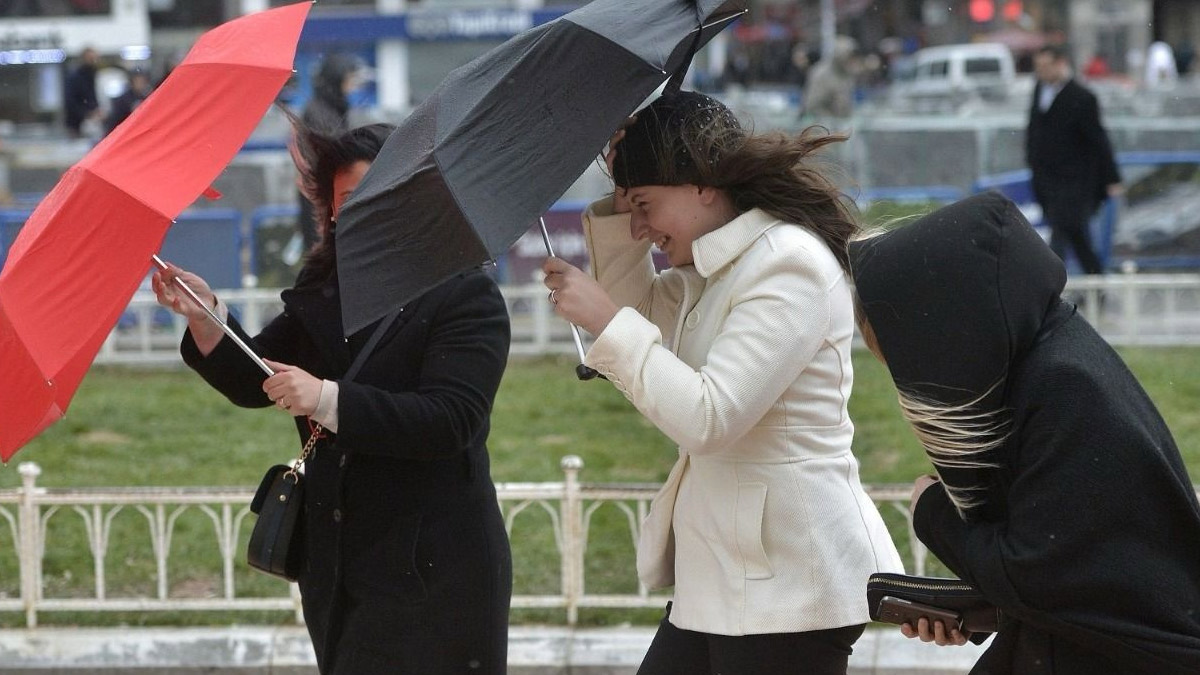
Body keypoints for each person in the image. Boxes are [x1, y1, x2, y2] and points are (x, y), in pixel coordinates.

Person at [542, 90, 903, 675]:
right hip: (726, 578)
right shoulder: (713, 268)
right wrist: (616, 199)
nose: (638, 227)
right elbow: (639, 330)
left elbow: (709, 418)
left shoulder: (788, 262)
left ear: (702, 184)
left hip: (789, 584)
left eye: (644, 204)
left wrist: (605, 320)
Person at [152, 121, 513, 674]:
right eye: (348, 201)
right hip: (339, 568)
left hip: (436, 570)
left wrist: (325, 398)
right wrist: (208, 320)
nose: (364, 212)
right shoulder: (327, 290)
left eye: (380, 194)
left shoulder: (464, 293)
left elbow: (451, 420)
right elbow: (259, 377)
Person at [850, 191, 1200, 674]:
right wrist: (973, 611)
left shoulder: (1061, 386)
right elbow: (1075, 570)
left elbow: (1037, 574)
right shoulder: (1048, 356)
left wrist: (931, 515)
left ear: (949, 326)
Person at [1026, 44, 1122, 276]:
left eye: (1046, 66)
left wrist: (1112, 177)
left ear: (1060, 63)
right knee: (1077, 238)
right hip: (1047, 179)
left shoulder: (1082, 97)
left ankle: (1050, 288)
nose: (1042, 71)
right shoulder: (1040, 91)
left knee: (1060, 235)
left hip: (1074, 182)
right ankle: (1095, 284)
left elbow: (1098, 139)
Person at [294, 54, 364, 253]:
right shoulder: (320, 112)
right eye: (349, 78)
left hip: (328, 195)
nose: (352, 84)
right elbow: (334, 151)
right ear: (337, 78)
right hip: (321, 198)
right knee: (325, 255)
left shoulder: (331, 107)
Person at [63, 47, 100, 138]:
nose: (93, 61)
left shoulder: (94, 75)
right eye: (90, 58)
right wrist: (87, 113)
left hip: (92, 121)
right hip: (76, 123)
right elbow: (70, 101)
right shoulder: (75, 77)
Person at [103, 69, 152, 136]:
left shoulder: (147, 97)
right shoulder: (123, 99)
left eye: (142, 81)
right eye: (138, 81)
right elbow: (116, 119)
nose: (140, 84)